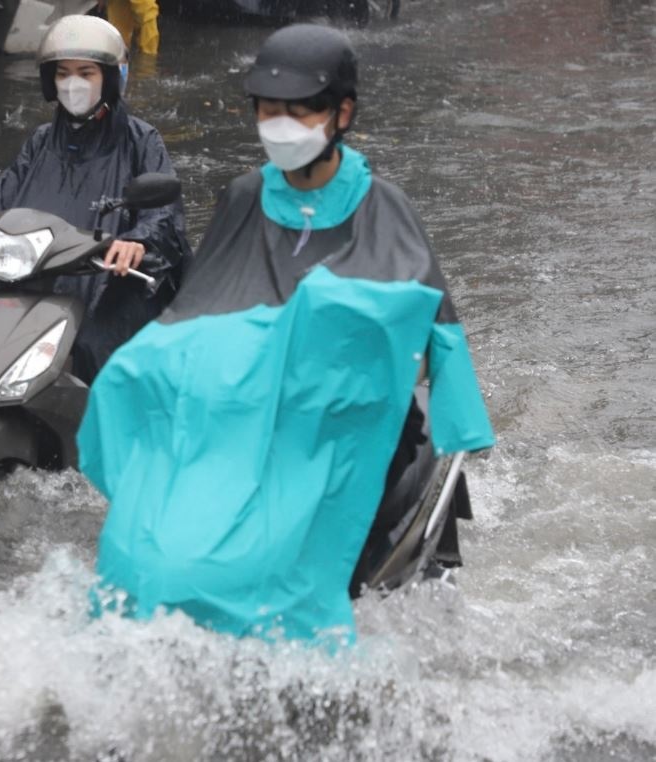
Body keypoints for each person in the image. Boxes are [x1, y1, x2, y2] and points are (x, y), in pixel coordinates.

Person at [76, 23, 495, 643]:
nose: (281, 125)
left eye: (299, 112)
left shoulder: (384, 207)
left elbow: (431, 325)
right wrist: (143, 366)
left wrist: (448, 412)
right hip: (251, 411)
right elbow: (197, 308)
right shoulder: (244, 196)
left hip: (345, 418)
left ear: (342, 113)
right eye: (269, 112)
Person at [0, 14, 189, 382]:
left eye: (85, 73)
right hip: (31, 276)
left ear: (110, 78)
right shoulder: (39, 141)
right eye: (63, 73)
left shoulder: (140, 140)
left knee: (94, 345)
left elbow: (162, 213)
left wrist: (137, 242)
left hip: (106, 283)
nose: (72, 84)